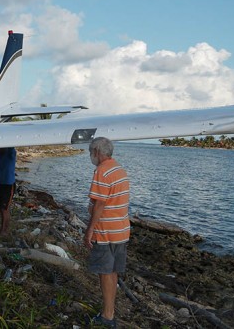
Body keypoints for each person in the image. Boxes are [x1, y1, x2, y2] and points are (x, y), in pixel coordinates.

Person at [84, 137, 130, 329]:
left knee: (105, 273)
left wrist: (90, 230)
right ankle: (109, 312)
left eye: (90, 152)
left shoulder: (102, 171)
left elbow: (100, 203)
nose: (90, 156)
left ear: (96, 151)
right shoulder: (119, 169)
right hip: (121, 230)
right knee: (112, 272)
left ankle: (108, 316)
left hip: (106, 231)